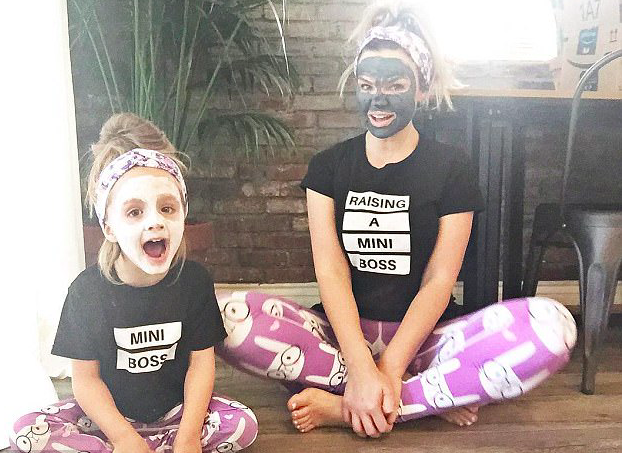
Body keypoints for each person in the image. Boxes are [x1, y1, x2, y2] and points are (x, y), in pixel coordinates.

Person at [214, 0, 578, 439]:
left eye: (395, 85)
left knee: (553, 327)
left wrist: (388, 367)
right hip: (341, 340)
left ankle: (349, 405)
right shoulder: (328, 167)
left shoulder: (452, 168)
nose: (378, 98)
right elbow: (331, 273)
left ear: (421, 89)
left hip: (425, 340)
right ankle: (425, 397)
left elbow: (439, 281)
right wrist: (360, 365)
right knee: (226, 318)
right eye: (366, 84)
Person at [10, 113, 258, 453]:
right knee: (28, 431)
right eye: (134, 212)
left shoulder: (195, 282)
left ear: (183, 215)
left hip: (175, 414)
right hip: (108, 418)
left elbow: (201, 365)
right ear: (109, 227)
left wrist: (188, 437)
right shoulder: (86, 292)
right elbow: (85, 381)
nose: (155, 222)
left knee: (243, 423)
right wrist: (123, 437)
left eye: (167, 209)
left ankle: (159, 443)